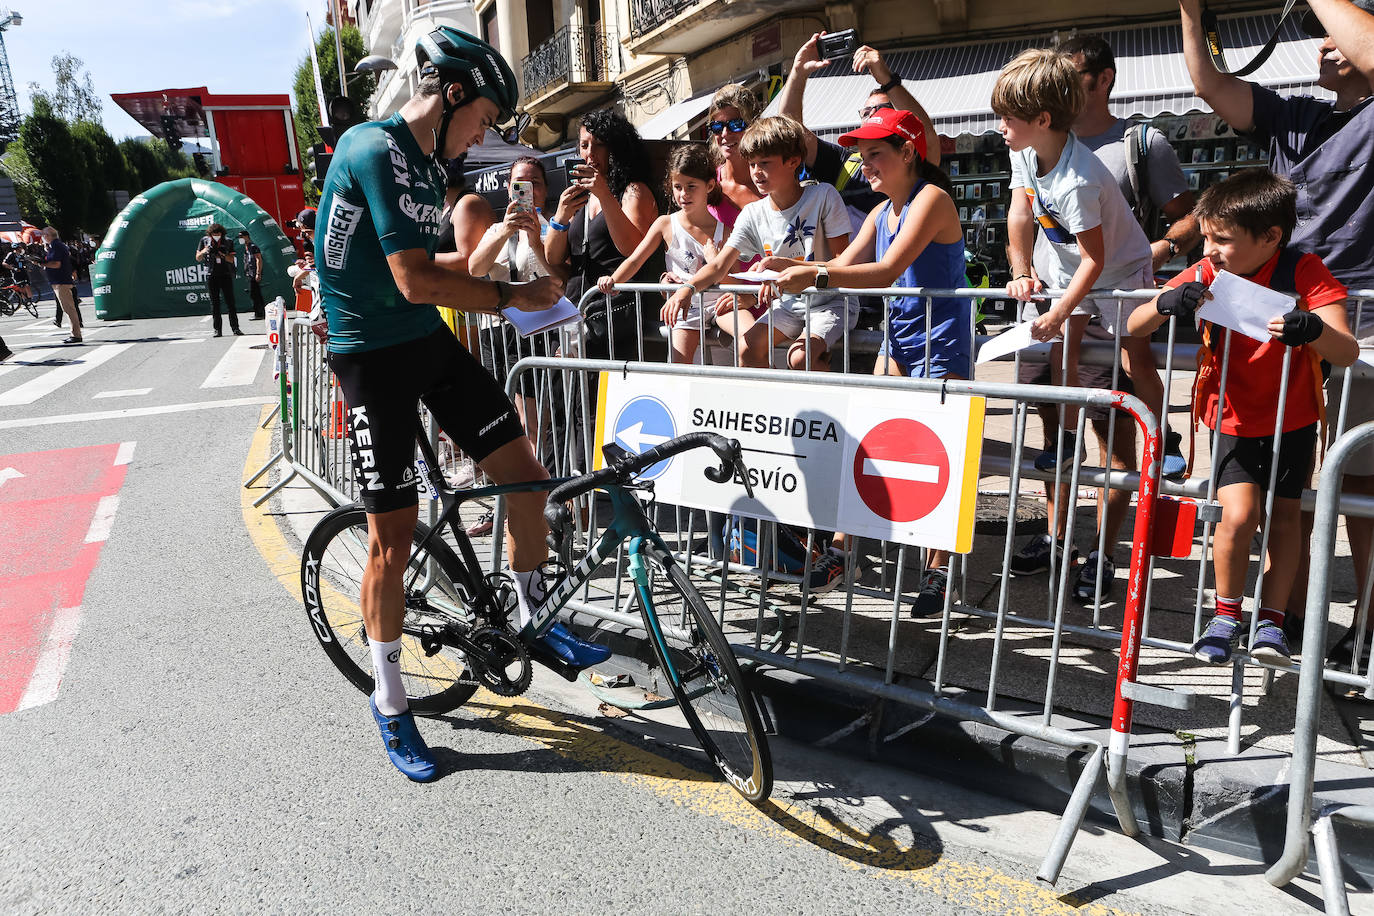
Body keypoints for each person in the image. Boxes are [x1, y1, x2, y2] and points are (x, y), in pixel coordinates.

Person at [315, 26, 604, 783]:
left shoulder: (423, 163)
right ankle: (390, 701)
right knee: (394, 539)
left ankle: (533, 616)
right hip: (369, 356)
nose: (482, 136)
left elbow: (431, 264)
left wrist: (496, 269)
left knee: (525, 474)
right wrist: (509, 295)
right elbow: (412, 278)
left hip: (421, 340)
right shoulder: (373, 150)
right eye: (482, 119)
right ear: (451, 95)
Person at [1178, 0, 1374, 666]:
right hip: (1278, 328)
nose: (1322, 44)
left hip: (1355, 324)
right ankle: (1280, 615)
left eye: (1336, 31)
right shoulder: (1297, 118)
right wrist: (1189, 10)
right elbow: (1209, 85)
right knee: (1296, 497)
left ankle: (1367, 625)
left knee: (1361, 491)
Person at [1126, 169, 1357, 665]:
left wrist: (1311, 327)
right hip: (1229, 416)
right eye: (1206, 236)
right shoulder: (1209, 271)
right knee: (1237, 516)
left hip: (1292, 418)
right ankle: (1226, 615)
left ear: (1271, 237)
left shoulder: (1302, 269)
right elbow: (1135, 322)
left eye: (1222, 239)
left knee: (1286, 521)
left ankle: (1270, 623)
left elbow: (1348, 347)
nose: (1208, 248)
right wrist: (1168, 302)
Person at [1011, 35, 1201, 603]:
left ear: (1102, 79)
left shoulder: (1120, 154)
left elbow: (1177, 219)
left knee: (1129, 378)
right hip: (1062, 288)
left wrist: (1161, 250)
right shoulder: (1028, 149)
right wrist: (1024, 270)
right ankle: (1058, 535)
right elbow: (1021, 214)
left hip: (1116, 279)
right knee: (1056, 394)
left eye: (1068, 75)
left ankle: (1109, 541)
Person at [773, 107, 971, 614]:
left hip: (942, 340)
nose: (865, 164)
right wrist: (794, 265)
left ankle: (940, 572)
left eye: (876, 154)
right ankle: (841, 552)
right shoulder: (883, 212)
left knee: (939, 457)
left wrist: (813, 276)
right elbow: (841, 265)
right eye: (862, 155)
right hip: (900, 341)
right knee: (867, 446)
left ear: (909, 152)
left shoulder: (933, 199)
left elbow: (885, 270)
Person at [664, 115, 852, 372]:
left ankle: (821, 411)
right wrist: (688, 288)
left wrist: (786, 267)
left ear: (793, 161)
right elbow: (719, 265)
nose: (756, 172)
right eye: (752, 164)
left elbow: (843, 263)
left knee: (800, 358)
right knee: (747, 348)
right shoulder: (753, 213)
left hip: (830, 302)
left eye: (764, 163)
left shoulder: (824, 195)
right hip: (787, 305)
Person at [779, 35, 941, 245]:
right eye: (866, 112)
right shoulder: (848, 167)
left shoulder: (920, 178)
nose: (872, 116)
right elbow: (789, 132)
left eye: (881, 110)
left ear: (907, 152)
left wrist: (888, 81)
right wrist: (798, 73)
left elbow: (924, 136)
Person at [598, 144, 744, 364]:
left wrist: (715, 261)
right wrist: (614, 280)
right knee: (678, 367)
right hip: (686, 306)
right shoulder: (665, 224)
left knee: (750, 337)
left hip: (721, 305)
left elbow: (736, 282)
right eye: (678, 187)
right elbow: (635, 259)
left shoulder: (727, 231)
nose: (683, 194)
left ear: (710, 185)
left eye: (691, 186)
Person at [545, 109, 659, 359]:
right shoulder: (580, 197)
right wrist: (561, 217)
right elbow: (553, 258)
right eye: (584, 145)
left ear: (615, 149)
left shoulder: (633, 191)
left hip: (612, 322)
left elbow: (631, 248)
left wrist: (605, 194)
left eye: (599, 145)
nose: (590, 154)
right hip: (575, 316)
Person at [195, 222, 241, 337]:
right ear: (210, 234)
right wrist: (204, 251)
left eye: (218, 233)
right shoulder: (204, 241)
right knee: (214, 303)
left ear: (222, 233)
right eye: (213, 234)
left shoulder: (228, 241)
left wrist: (223, 254)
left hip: (225, 274)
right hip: (211, 274)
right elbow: (198, 258)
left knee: (230, 302)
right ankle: (217, 330)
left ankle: (235, 328)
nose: (216, 235)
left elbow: (231, 259)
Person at [40, 227, 81, 344]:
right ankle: (75, 334)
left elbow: (56, 264)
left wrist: (41, 262)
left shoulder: (56, 246)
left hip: (61, 281)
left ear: (49, 235)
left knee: (69, 308)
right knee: (68, 308)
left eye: (44, 235)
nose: (43, 237)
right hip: (60, 280)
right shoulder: (56, 246)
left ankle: (76, 335)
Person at [238, 230, 266, 320]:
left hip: (254, 274)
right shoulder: (246, 248)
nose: (240, 239)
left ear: (247, 236)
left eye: (241, 237)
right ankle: (260, 312)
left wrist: (258, 273)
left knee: (255, 294)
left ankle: (259, 313)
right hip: (249, 274)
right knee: (255, 293)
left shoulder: (253, 247)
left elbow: (259, 259)